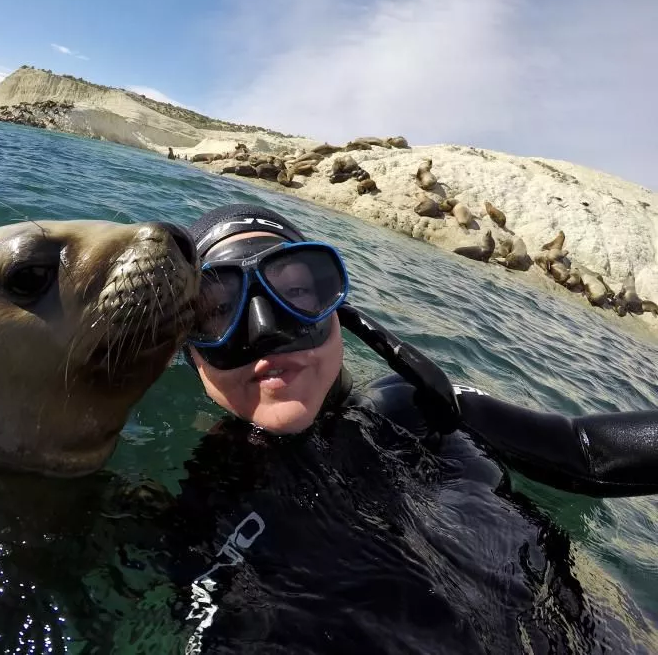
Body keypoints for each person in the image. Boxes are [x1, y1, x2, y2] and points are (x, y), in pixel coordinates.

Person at [163, 203, 658, 655]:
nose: (267, 330)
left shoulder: (423, 407)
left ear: (338, 313)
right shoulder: (201, 501)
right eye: (217, 312)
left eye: (295, 292)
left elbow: (587, 451)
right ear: (191, 355)